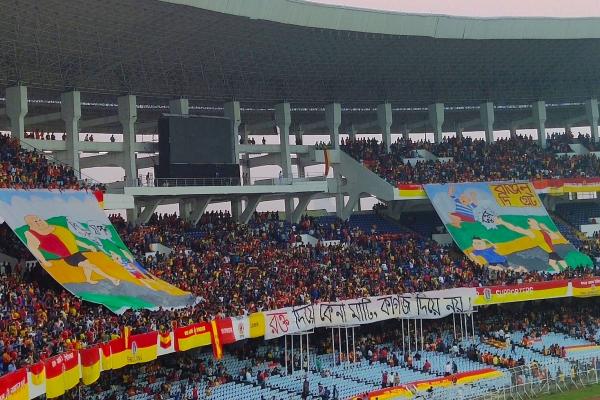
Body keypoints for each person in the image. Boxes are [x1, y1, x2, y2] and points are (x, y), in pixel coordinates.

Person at [23, 214, 120, 286]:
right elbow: (33, 248)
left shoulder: (56, 227)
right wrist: (44, 261)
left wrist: (88, 246)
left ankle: (88, 279)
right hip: (69, 257)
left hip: (76, 253)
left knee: (88, 266)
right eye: (35, 221)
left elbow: (73, 241)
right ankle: (112, 279)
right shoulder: (31, 233)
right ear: (31, 224)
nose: (39, 221)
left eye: (39, 219)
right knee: (92, 266)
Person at [495, 217, 568, 272]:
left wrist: (546, 228)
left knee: (554, 262)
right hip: (550, 252)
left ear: (535, 223)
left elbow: (556, 237)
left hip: (551, 251)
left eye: (530, 222)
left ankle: (565, 272)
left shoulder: (542, 231)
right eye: (529, 223)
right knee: (554, 262)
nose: (529, 224)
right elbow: (515, 228)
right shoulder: (533, 232)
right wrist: (503, 222)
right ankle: (563, 273)